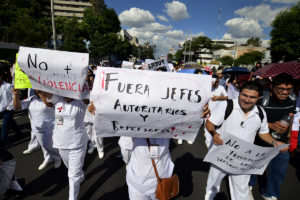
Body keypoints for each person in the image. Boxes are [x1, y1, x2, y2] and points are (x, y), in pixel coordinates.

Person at [204, 81, 288, 200]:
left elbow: (263, 133)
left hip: (243, 158)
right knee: (213, 187)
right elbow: (210, 123)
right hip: (221, 154)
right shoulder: (226, 105)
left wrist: (275, 142)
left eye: (252, 97)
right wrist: (214, 133)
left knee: (242, 191)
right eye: (244, 95)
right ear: (239, 94)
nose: (247, 100)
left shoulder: (260, 112)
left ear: (258, 98)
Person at [249, 73, 296, 200]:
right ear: (271, 86)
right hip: (259, 142)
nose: (285, 93)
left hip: (281, 143)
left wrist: (290, 135)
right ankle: (248, 185)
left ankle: (270, 193)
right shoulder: (261, 100)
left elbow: (291, 117)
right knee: (253, 167)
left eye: (288, 89)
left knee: (278, 172)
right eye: (281, 89)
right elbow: (249, 119)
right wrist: (270, 125)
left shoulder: (292, 100)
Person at [40, 92, 89, 200]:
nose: (67, 94)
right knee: (71, 169)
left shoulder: (81, 102)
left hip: (77, 143)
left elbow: (87, 97)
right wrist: (33, 79)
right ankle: (80, 175)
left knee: (72, 175)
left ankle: (72, 197)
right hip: (60, 142)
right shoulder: (58, 99)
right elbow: (44, 92)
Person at [12, 89, 61, 170]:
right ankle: (48, 158)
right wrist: (16, 95)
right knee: (44, 146)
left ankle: (57, 158)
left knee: (49, 145)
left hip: (51, 128)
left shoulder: (51, 97)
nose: (35, 89)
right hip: (37, 129)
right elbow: (17, 107)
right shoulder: (32, 98)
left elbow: (50, 105)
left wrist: (61, 125)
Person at [204, 76, 228, 149]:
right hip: (209, 112)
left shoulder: (221, 88)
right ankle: (208, 144)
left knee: (216, 130)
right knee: (207, 129)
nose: (217, 83)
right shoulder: (207, 88)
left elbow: (226, 97)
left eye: (218, 81)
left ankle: (212, 142)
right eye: (215, 82)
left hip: (218, 113)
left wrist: (219, 97)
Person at [0, 72, 22, 146]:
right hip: (1, 109)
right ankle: (19, 133)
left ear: (1, 76)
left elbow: (15, 97)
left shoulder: (8, 86)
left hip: (8, 109)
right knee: (11, 122)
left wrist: (9, 107)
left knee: (5, 125)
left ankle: (2, 143)